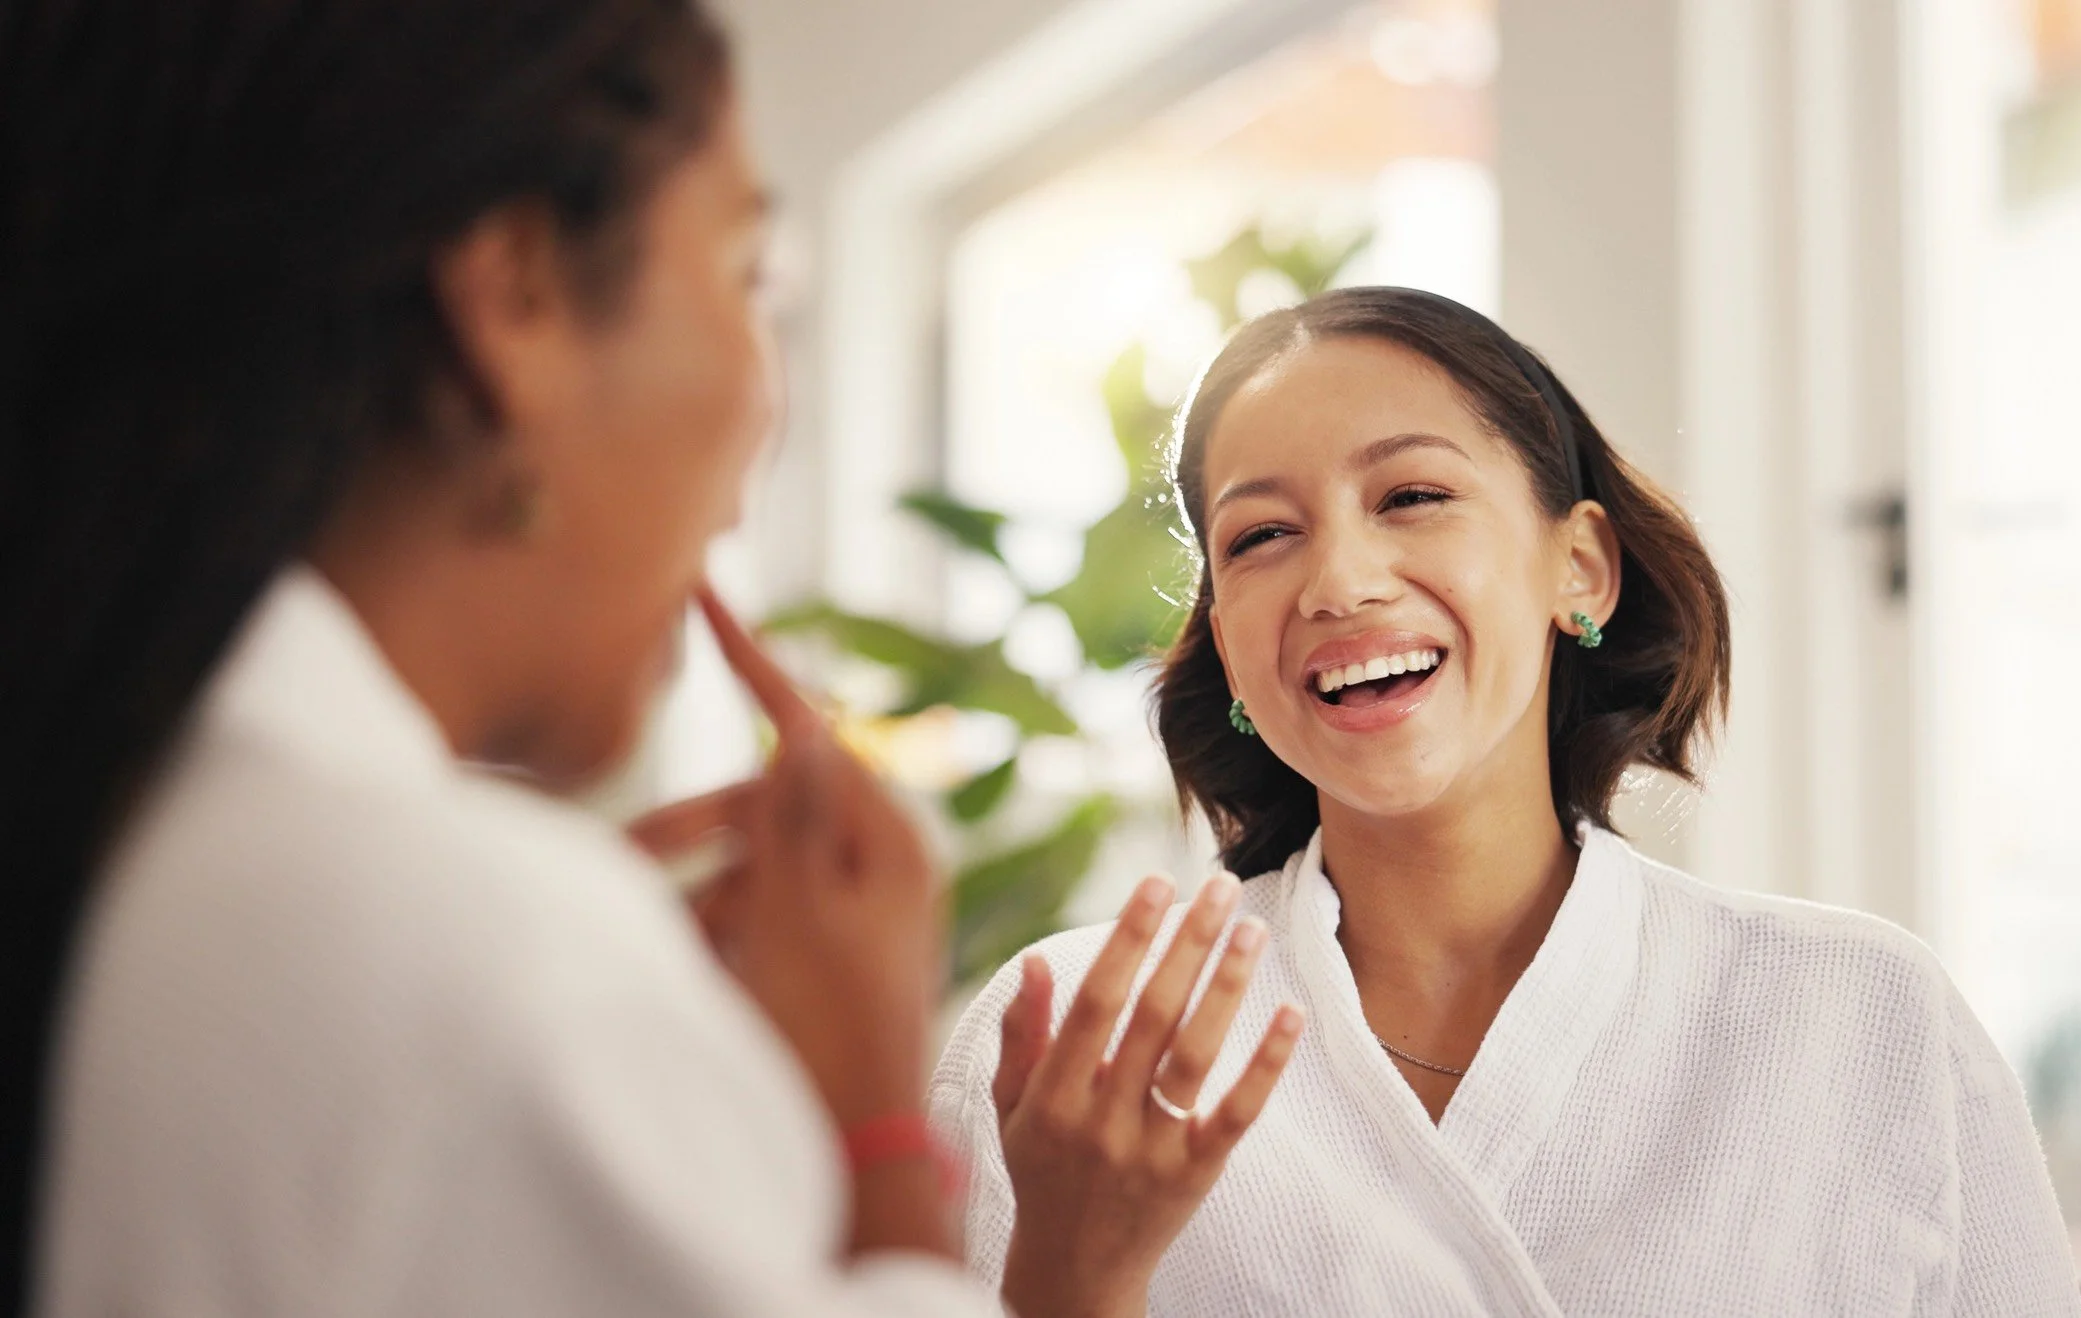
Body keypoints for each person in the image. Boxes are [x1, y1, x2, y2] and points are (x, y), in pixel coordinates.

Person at [0, 2, 1293, 1314]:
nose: (764, 407)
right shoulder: (484, 958)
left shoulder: (164, 824)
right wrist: (866, 1125)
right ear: (515, 296)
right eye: (748, 278)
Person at [932, 287, 2081, 1316]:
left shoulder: (1864, 1020)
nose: (1339, 582)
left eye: (1412, 494)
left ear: (1578, 567)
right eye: (1263, 535)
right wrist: (1072, 1286)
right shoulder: (1067, 1045)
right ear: (1228, 646)